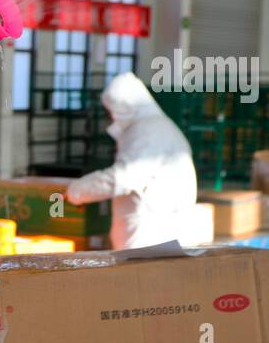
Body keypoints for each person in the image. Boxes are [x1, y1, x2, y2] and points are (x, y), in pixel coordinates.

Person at [65, 72, 198, 250]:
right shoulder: (159, 126)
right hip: (158, 229)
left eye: (111, 111)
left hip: (150, 234)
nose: (111, 118)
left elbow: (123, 178)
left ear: (123, 106)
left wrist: (76, 191)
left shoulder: (148, 131)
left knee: (141, 276)